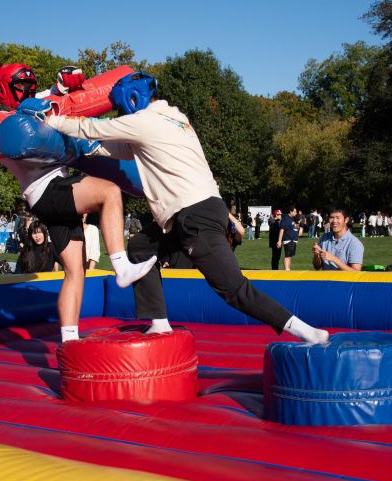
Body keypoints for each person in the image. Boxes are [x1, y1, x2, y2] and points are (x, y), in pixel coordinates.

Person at [35, 71, 328, 344]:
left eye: (121, 108)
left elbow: (92, 127)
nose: (120, 113)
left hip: (194, 215)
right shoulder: (175, 118)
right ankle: (159, 322)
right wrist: (90, 148)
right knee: (140, 248)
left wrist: (54, 120)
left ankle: (306, 331)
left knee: (234, 289)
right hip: (196, 211)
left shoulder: (144, 121)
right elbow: (122, 149)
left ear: (132, 100)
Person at [0, 65, 156, 342]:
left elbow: (53, 100)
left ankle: (69, 338)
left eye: (30, 84)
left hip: (47, 196)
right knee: (109, 192)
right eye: (20, 86)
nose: (27, 90)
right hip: (48, 190)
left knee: (75, 271)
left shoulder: (31, 108)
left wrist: (62, 86)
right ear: (3, 88)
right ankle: (122, 266)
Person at [312, 207, 364, 272]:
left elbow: (356, 273)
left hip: (344, 282)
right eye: (331, 217)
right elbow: (317, 267)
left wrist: (334, 259)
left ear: (346, 220)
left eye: (338, 218)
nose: (334, 221)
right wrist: (316, 255)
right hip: (325, 281)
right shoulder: (325, 237)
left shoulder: (355, 243)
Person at [276, 206, 299, 271]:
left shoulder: (292, 219)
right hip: (288, 240)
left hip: (293, 240)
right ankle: (286, 271)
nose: (296, 213)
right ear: (291, 212)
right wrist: (279, 241)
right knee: (287, 255)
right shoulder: (286, 219)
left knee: (290, 256)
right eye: (295, 211)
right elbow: (282, 229)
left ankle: (289, 269)